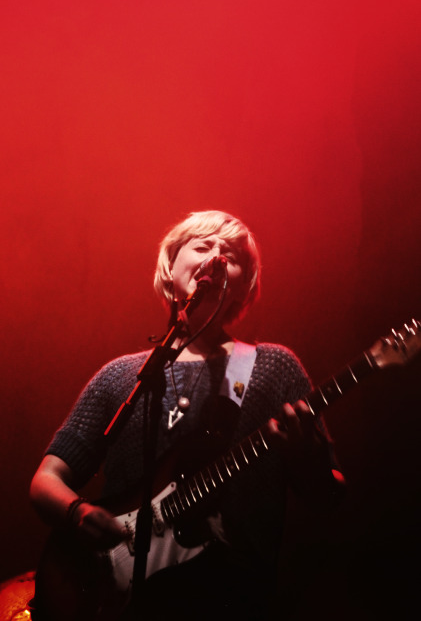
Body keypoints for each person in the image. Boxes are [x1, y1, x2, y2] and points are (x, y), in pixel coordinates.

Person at [30, 210, 345, 621]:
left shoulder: (272, 367)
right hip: (121, 603)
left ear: (242, 284)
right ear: (170, 267)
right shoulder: (122, 376)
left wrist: (307, 456)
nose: (216, 257)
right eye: (202, 246)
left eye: (230, 254)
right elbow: (46, 480)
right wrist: (78, 513)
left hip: (232, 600)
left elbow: (330, 496)